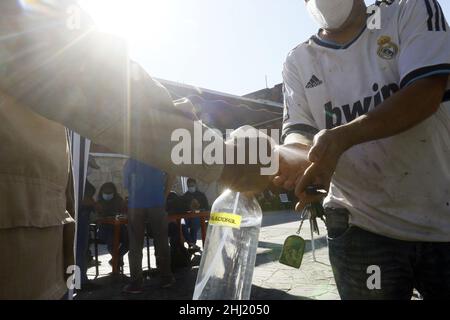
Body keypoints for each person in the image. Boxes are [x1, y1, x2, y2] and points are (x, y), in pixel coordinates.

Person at [0, 1, 277, 299]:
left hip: (126, 208)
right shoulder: (36, 19)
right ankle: (144, 278)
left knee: (153, 241)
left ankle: (161, 275)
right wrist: (225, 158)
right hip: (33, 226)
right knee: (140, 243)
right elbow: (96, 75)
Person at [274, 0, 450, 299]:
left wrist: (342, 138)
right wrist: (291, 161)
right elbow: (299, 133)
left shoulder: (407, 10)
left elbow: (426, 93)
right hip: (360, 225)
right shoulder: (299, 60)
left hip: (440, 218)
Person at [122, 159, 176, 293]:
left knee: (135, 243)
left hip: (136, 205)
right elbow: (172, 174)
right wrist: (164, 196)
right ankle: (166, 278)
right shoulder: (158, 155)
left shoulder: (131, 158)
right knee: (162, 240)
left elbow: (125, 183)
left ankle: (136, 283)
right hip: (156, 202)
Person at [96, 182, 129, 267]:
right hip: (104, 228)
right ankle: (117, 259)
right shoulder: (99, 202)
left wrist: (124, 206)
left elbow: (123, 213)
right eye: (106, 192)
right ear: (102, 191)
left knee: (129, 239)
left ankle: (116, 258)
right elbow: (95, 217)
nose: (107, 194)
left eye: (110, 193)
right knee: (112, 238)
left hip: (119, 226)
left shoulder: (118, 200)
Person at [180, 178, 209, 252]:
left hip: (198, 217)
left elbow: (206, 207)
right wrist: (188, 208)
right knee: (182, 223)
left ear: (195, 185)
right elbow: (182, 209)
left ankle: (192, 244)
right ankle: (192, 243)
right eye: (189, 186)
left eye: (192, 185)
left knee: (195, 223)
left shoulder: (201, 195)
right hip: (187, 217)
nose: (191, 187)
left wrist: (199, 208)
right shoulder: (185, 196)